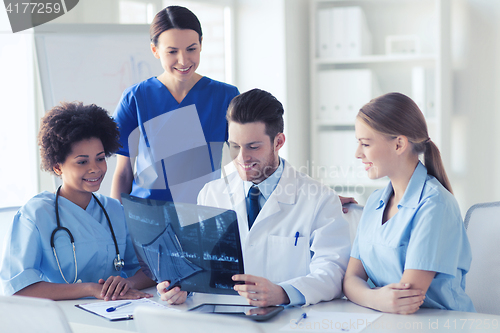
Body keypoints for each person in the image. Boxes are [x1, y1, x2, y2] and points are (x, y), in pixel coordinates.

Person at [157, 88, 351, 306]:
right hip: (220, 321)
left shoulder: (319, 199)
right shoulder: (211, 194)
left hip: (287, 321)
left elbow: (333, 272)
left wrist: (283, 293)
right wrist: (181, 287)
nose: (242, 158)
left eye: (253, 147)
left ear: (278, 142)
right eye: (234, 146)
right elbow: (195, 264)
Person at [0, 102, 155, 300]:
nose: (95, 169)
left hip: (116, 315)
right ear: (57, 167)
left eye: (100, 158)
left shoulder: (114, 209)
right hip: (61, 320)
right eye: (82, 162)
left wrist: (127, 283)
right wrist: (90, 289)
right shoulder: (35, 214)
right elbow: (17, 287)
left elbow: (149, 270)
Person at [343, 92, 475, 314]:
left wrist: (367, 296)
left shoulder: (435, 205)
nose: (358, 154)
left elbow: (406, 300)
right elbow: (351, 279)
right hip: (387, 321)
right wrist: (375, 299)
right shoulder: (375, 202)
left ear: (399, 144)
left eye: (365, 143)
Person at [111, 5, 239, 204]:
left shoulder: (225, 96)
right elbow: (123, 172)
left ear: (201, 44)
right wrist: (116, 224)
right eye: (172, 52)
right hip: (146, 216)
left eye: (191, 49)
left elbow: (242, 160)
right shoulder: (135, 98)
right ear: (155, 50)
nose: (183, 60)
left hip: (202, 214)